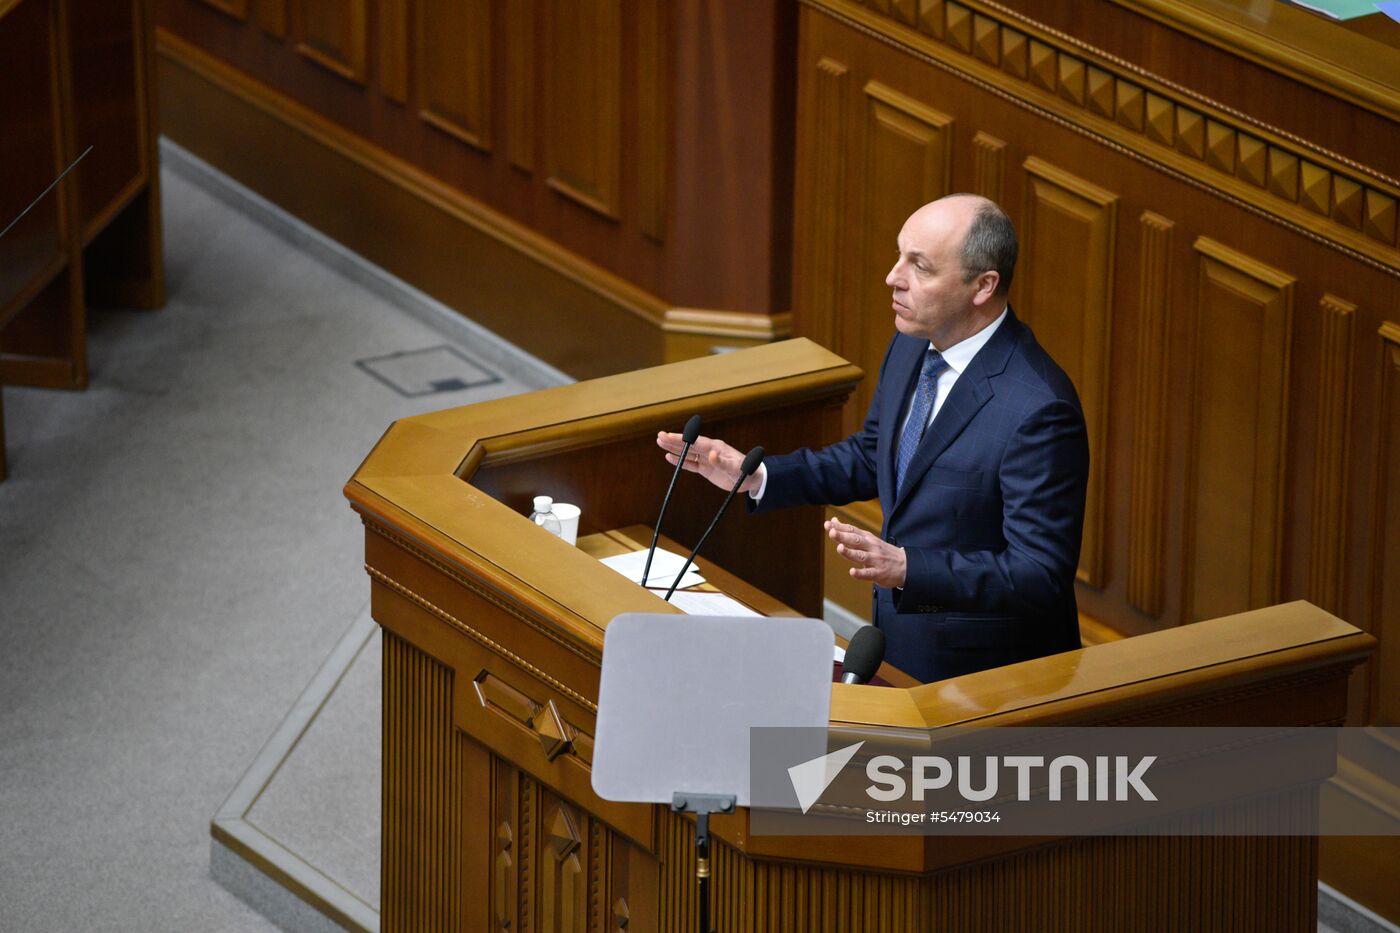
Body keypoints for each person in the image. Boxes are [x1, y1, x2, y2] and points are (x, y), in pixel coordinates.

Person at [656, 194, 1089, 683]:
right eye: (899, 254)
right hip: (900, 642)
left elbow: (1039, 576)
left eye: (919, 266)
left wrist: (908, 568)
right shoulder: (912, 343)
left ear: (983, 286)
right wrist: (758, 476)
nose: (893, 277)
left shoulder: (1038, 408)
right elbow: (873, 456)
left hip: (989, 677)